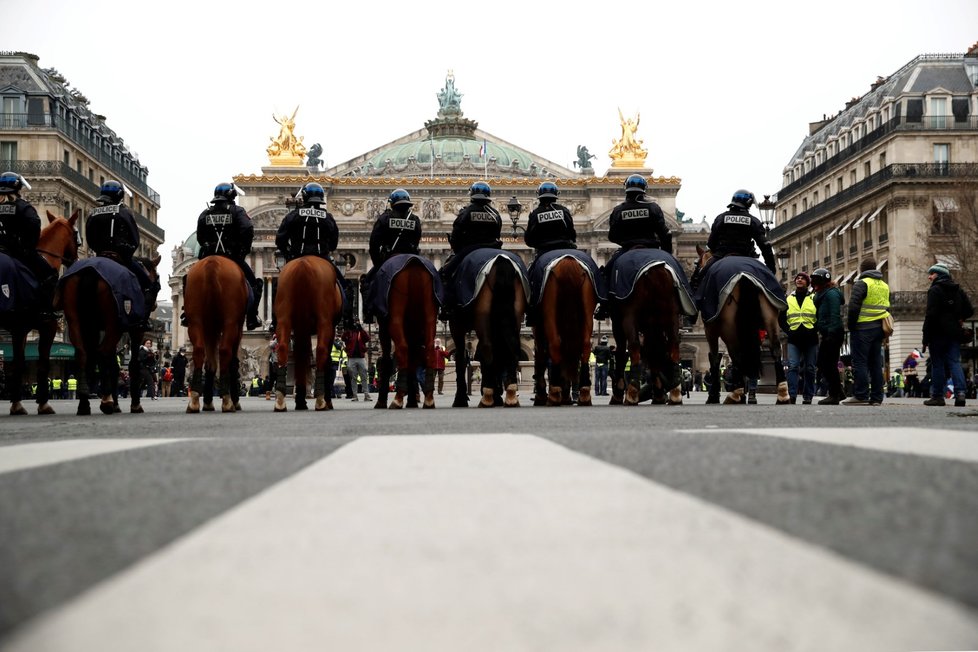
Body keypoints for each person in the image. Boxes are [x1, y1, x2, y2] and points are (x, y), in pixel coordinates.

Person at [85, 180, 159, 329]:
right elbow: (135, 239)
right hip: (119, 257)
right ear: (120, 195)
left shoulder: (93, 212)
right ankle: (142, 321)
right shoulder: (124, 212)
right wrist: (126, 253)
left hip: (97, 256)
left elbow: (89, 237)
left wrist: (98, 251)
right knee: (149, 285)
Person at [595, 175, 672, 319]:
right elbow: (665, 233)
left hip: (627, 249)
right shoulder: (653, 207)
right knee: (676, 272)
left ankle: (604, 307)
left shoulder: (619, 210)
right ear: (644, 190)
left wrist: (626, 242)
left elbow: (612, 236)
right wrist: (668, 255)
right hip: (653, 249)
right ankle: (686, 301)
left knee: (606, 273)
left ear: (626, 190)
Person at [195, 182, 262, 330]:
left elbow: (200, 236)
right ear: (232, 196)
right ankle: (251, 317)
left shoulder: (206, 213)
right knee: (255, 284)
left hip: (208, 255)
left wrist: (208, 245)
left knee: (189, 280)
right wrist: (242, 250)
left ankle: (187, 313)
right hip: (232, 256)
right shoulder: (237, 211)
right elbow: (247, 229)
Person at [439, 181, 503, 320]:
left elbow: (456, 235)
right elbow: (498, 233)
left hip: (470, 249)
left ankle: (447, 307)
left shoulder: (466, 211)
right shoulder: (495, 214)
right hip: (493, 248)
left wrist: (457, 248)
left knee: (445, 273)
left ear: (472, 195)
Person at [0, 172, 59, 318]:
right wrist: (27, 248)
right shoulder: (22, 207)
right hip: (17, 252)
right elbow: (34, 226)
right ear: (18, 187)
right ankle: (45, 310)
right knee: (49, 274)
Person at [360, 188, 422, 324]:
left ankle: (368, 313)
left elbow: (374, 244)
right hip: (412, 258)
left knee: (367, 282)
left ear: (392, 203)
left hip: (389, 258)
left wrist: (378, 265)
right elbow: (417, 241)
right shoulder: (415, 220)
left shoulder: (384, 218)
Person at [695, 189, 776, 289]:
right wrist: (771, 269)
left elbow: (711, 244)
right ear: (749, 203)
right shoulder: (753, 221)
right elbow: (765, 246)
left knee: (699, 280)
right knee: (771, 286)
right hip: (747, 257)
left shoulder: (720, 218)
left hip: (720, 256)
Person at [523, 181, 577, 327]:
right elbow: (572, 233)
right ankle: (603, 301)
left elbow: (529, 239)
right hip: (567, 249)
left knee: (530, 279)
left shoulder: (536, 213)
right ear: (556, 196)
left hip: (545, 251)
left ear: (539, 196)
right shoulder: (564, 211)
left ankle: (531, 311)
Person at [922, 264, 972, 407]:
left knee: (937, 364)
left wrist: (925, 338)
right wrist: (960, 317)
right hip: (954, 333)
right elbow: (969, 310)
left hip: (937, 334)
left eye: (931, 274)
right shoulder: (958, 290)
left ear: (937, 274)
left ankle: (938, 396)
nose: (929, 277)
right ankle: (961, 394)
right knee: (954, 363)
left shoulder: (935, 290)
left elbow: (930, 316)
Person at [843, 257, 889, 406]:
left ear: (862, 270)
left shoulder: (862, 283)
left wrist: (851, 325)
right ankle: (877, 397)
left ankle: (861, 395)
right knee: (876, 363)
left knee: (860, 362)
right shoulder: (884, 285)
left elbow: (854, 306)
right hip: (878, 329)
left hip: (862, 328)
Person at [810, 268, 846, 405]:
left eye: (815, 279)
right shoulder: (822, 294)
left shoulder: (831, 294)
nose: (812, 281)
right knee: (824, 363)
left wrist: (831, 333)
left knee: (828, 364)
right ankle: (839, 391)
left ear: (821, 280)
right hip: (828, 333)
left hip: (833, 333)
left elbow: (834, 314)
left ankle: (834, 394)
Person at [784, 272, 819, 404]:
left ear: (807, 282)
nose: (799, 280)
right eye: (797, 278)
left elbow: (819, 314)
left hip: (810, 337)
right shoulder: (789, 298)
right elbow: (782, 317)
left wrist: (815, 328)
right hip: (794, 337)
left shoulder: (814, 298)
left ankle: (808, 395)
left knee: (810, 368)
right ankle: (792, 395)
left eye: (802, 279)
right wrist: (788, 330)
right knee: (793, 367)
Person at [343, 321, 372, 402]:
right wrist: (347, 329)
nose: (355, 325)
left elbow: (367, 338)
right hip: (352, 358)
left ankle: (366, 395)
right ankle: (355, 395)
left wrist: (361, 329)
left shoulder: (361, 333)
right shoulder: (349, 333)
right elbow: (343, 338)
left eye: (357, 324)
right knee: (353, 378)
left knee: (364, 377)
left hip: (361, 357)